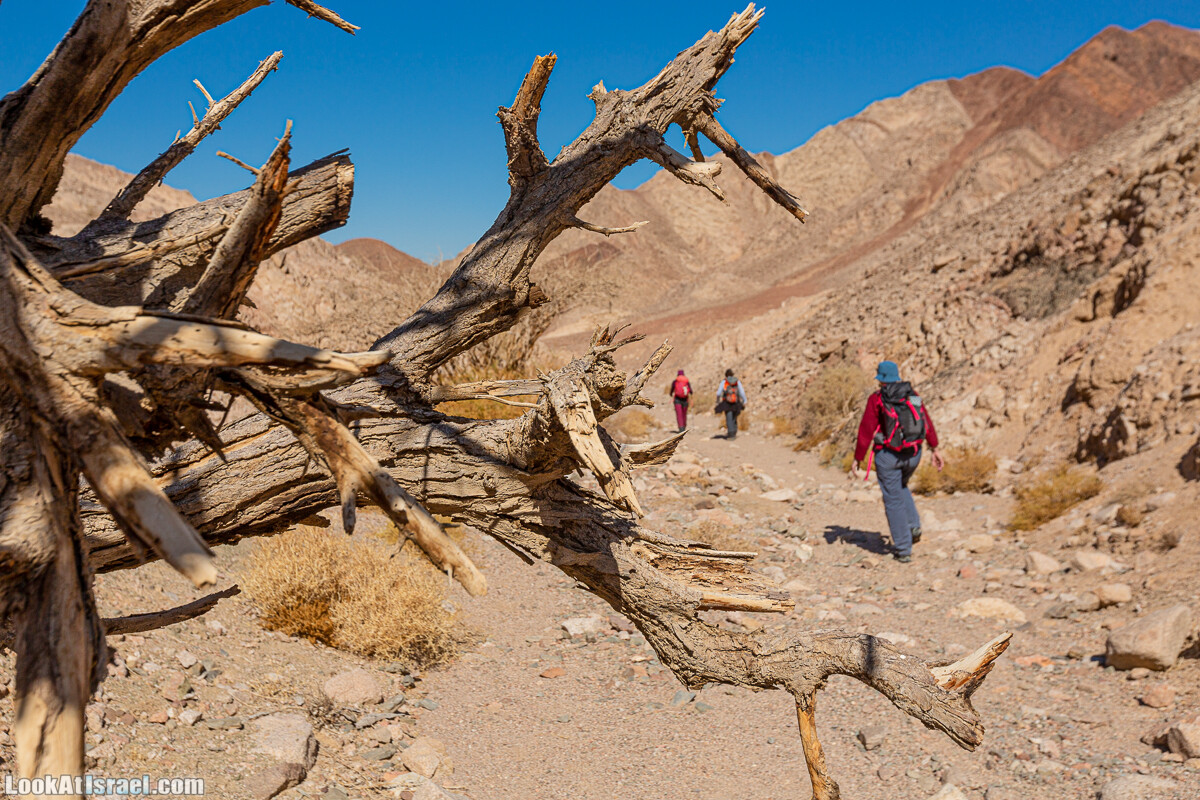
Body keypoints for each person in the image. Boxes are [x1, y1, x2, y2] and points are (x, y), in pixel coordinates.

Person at [851, 360, 944, 562]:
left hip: (888, 456)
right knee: (901, 485)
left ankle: (903, 548)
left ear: (880, 379)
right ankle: (913, 525)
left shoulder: (877, 399)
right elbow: (926, 422)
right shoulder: (912, 394)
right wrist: (935, 448)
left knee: (892, 498)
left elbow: (866, 430)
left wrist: (858, 458)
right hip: (914, 454)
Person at [715, 369, 747, 439]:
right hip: (736, 402)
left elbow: (718, 393)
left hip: (727, 402)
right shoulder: (737, 381)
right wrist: (745, 400)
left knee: (729, 417)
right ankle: (734, 431)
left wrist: (717, 401)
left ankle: (731, 434)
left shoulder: (724, 381)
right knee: (734, 416)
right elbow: (742, 392)